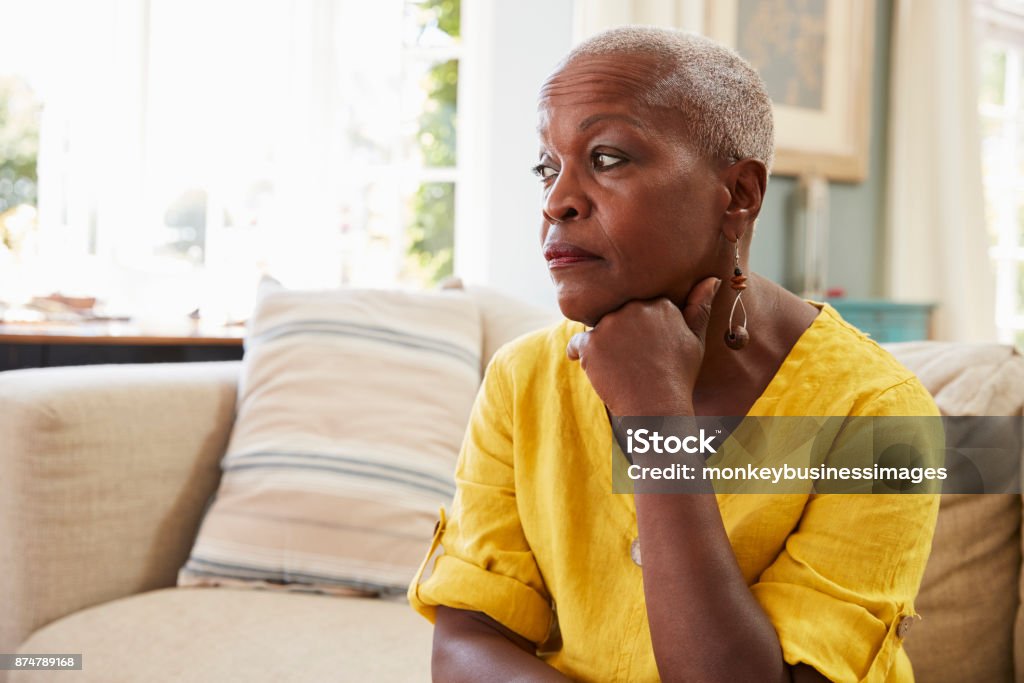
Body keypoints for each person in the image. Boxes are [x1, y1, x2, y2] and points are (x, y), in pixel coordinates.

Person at [408, 25, 940, 682]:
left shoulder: (882, 420)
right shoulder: (521, 379)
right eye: (548, 166)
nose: (556, 201)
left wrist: (656, 414)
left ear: (739, 195)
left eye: (606, 158)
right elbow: (463, 645)